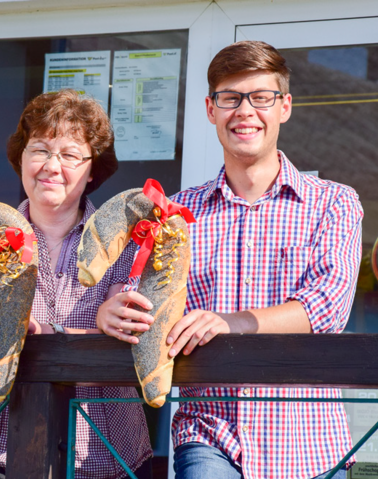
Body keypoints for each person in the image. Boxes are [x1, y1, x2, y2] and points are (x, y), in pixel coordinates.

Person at [97, 41, 363, 479]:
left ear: (285, 107)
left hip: (305, 440)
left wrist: (229, 320)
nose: (245, 111)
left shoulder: (333, 203)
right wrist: (116, 307)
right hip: (208, 433)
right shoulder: (177, 213)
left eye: (261, 97)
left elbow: (327, 308)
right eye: (230, 98)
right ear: (210, 109)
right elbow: (142, 291)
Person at [0, 89, 153, 479]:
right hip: (6, 455)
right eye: (39, 150)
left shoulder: (123, 241)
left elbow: (131, 335)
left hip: (105, 455)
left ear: (92, 170)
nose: (52, 166)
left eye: (70, 155)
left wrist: (54, 335)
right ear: (20, 158)